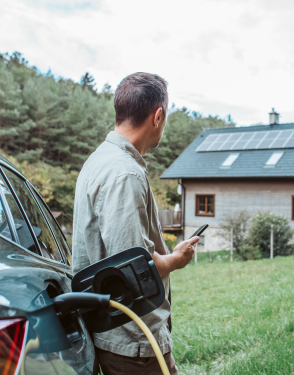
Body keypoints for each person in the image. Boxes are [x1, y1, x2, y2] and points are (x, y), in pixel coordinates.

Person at [72, 72, 199, 375]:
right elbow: (132, 273)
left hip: (121, 337)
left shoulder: (99, 160)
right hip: (133, 340)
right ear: (158, 116)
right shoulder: (124, 173)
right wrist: (176, 260)